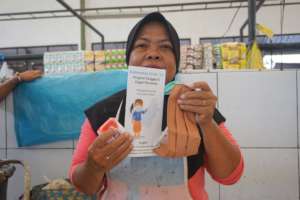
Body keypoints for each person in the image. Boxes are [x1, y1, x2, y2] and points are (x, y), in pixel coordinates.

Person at [69, 12, 244, 200]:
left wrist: (208, 124)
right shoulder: (103, 113)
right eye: (142, 45)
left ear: (176, 62)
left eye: (165, 47)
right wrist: (93, 166)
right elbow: (82, 186)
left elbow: (230, 175)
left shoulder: (196, 108)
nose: (153, 53)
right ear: (129, 59)